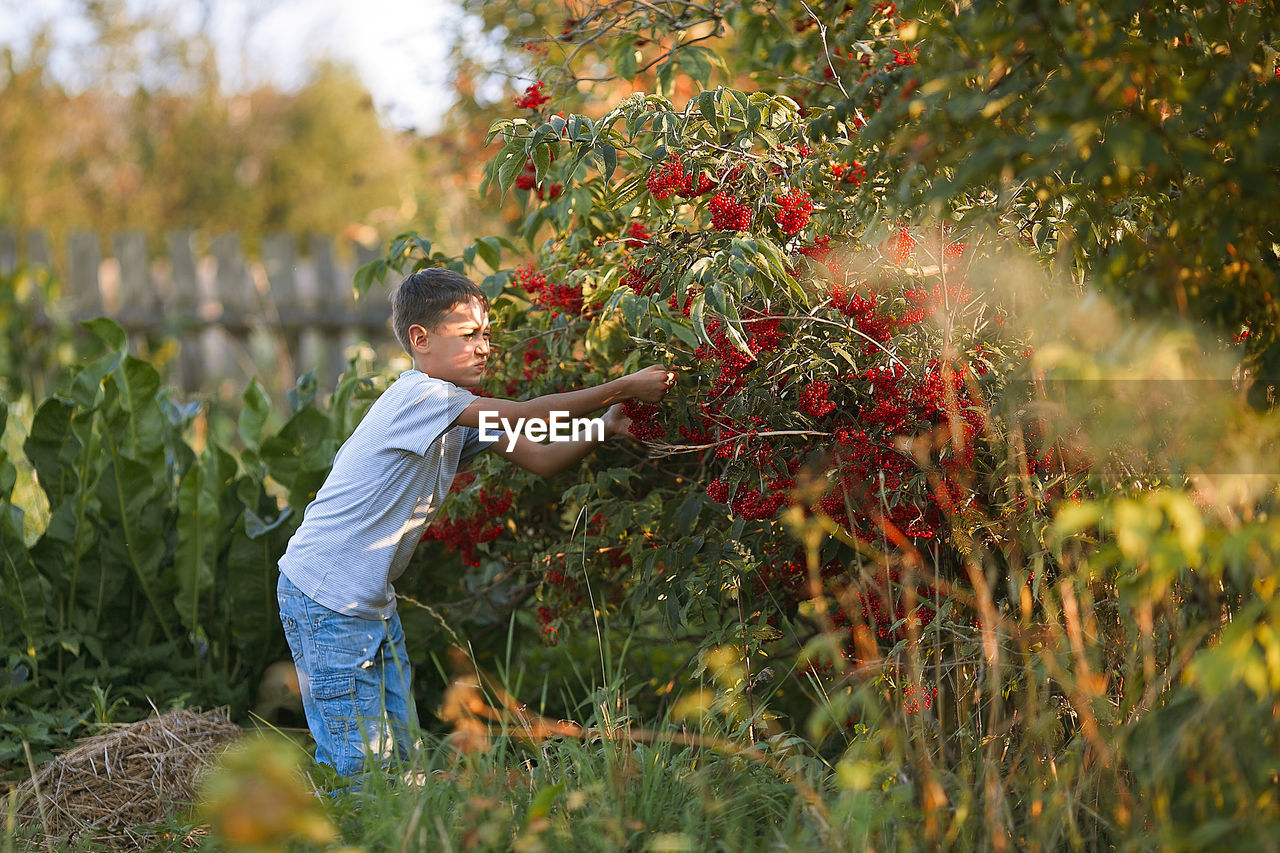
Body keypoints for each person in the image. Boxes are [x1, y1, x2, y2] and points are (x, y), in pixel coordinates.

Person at [275, 267, 674, 784]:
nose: (484, 347)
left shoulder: (453, 411)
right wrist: (624, 386)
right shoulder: (420, 397)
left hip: (367, 599)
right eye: (468, 335)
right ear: (420, 340)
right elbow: (529, 411)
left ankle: (399, 831)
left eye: (487, 334)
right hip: (327, 597)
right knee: (358, 762)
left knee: (399, 755)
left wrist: (605, 425)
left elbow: (539, 454)